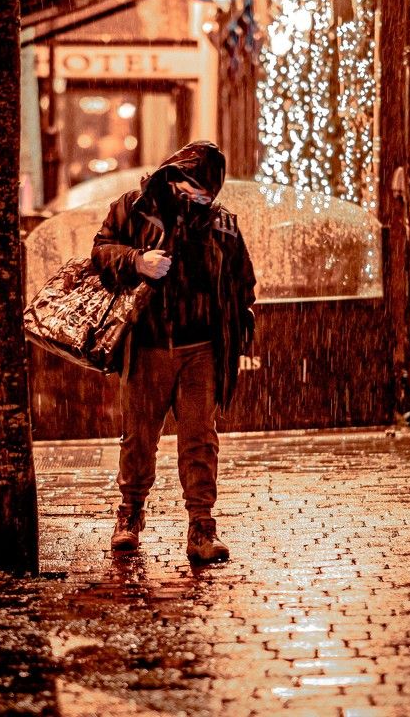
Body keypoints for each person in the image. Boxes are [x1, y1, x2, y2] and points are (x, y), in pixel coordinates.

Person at [91, 140, 256, 563]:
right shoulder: (132, 208)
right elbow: (101, 251)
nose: (202, 199)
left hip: (202, 350)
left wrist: (239, 327)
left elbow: (242, 283)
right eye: (196, 190)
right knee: (139, 437)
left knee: (200, 439)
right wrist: (137, 260)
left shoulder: (222, 225)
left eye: (208, 194)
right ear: (175, 176)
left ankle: (202, 526)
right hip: (147, 345)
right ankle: (130, 515)